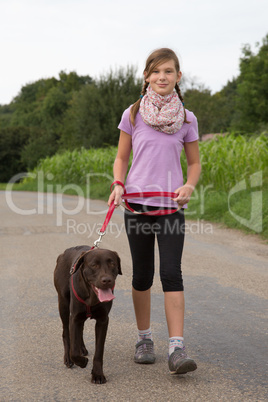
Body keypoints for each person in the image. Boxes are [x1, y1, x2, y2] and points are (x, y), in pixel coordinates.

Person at [108, 48, 201, 375]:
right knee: (143, 274)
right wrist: (118, 183)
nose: (162, 77)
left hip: (170, 208)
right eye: (156, 71)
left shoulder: (187, 118)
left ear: (178, 76)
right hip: (136, 205)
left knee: (171, 273)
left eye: (169, 71)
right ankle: (144, 339)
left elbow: (194, 163)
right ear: (147, 76)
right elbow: (121, 157)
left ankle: (177, 348)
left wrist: (189, 185)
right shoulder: (132, 114)